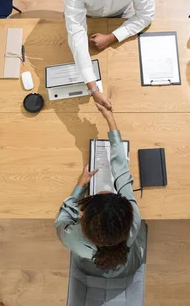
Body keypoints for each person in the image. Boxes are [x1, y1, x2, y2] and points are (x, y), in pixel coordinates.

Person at [64, 0, 155, 110]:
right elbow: (76, 31)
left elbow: (146, 15)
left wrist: (113, 37)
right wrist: (93, 88)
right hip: (87, 18)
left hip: (120, 19)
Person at [54, 103, 146, 278]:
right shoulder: (134, 220)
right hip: (130, 264)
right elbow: (122, 170)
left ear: (83, 222)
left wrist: (80, 186)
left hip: (90, 268)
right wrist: (110, 118)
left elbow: (62, 220)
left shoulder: (72, 238)